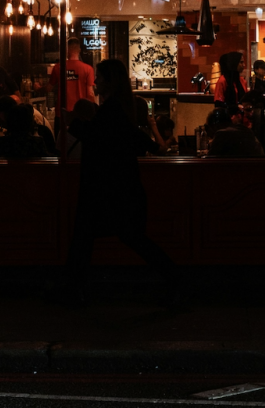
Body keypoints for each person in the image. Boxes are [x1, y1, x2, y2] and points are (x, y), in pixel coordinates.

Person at [60, 58, 177, 304]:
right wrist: (156, 147)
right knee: (125, 236)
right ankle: (175, 278)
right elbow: (129, 136)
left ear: (109, 82)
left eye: (99, 78)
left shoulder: (111, 109)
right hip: (117, 186)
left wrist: (74, 123)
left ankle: (72, 289)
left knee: (92, 236)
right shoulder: (120, 107)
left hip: (107, 188)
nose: (95, 83)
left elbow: (98, 137)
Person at [48, 38, 95, 111]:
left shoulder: (58, 67)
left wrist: (38, 88)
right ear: (79, 50)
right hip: (80, 113)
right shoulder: (88, 69)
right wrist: (94, 110)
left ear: (67, 50)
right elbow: (90, 94)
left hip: (62, 112)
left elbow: (48, 88)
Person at [213, 51, 247, 116]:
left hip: (242, 118)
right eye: (241, 62)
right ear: (234, 63)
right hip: (227, 118)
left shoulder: (242, 80)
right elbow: (218, 104)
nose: (244, 65)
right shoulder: (223, 80)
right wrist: (235, 107)